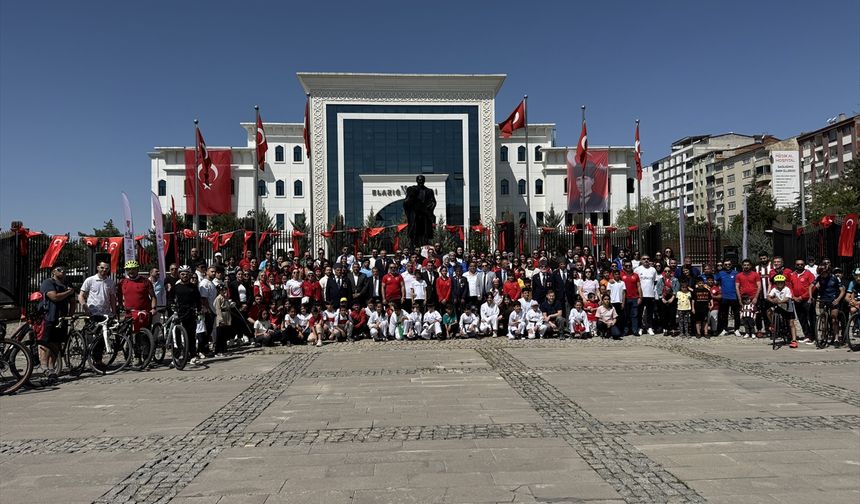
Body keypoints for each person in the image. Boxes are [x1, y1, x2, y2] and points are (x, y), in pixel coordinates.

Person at [39, 265, 76, 382]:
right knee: (46, 342)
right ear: (53, 272)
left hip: (62, 318)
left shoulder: (67, 284)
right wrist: (67, 292)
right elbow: (54, 297)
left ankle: (51, 367)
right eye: (59, 269)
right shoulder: (48, 282)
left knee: (57, 343)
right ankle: (44, 366)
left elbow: (73, 301)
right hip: (49, 316)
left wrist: (70, 315)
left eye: (64, 269)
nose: (63, 271)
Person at [173, 265, 204, 364]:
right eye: (182, 274)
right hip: (178, 312)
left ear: (189, 275)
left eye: (186, 274)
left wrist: (199, 309)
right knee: (176, 336)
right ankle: (177, 356)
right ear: (179, 275)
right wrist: (171, 306)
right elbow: (170, 298)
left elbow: (198, 300)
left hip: (190, 313)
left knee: (191, 335)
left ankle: (193, 355)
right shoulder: (176, 287)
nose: (184, 276)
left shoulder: (193, 287)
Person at [809, 264, 846, 343]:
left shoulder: (835, 278)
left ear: (828, 272)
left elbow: (842, 290)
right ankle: (823, 336)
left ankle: (836, 338)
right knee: (823, 320)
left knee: (833, 319)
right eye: (821, 273)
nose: (822, 274)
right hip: (823, 299)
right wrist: (810, 297)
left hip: (833, 300)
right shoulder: (819, 278)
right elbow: (810, 286)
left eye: (824, 273)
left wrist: (838, 300)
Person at [768, 274, 798, 348]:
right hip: (780, 307)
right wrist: (772, 300)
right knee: (769, 311)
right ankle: (773, 324)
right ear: (776, 283)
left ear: (784, 283)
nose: (780, 284)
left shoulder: (787, 289)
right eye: (778, 282)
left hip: (788, 308)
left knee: (791, 323)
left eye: (781, 282)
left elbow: (787, 299)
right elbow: (768, 296)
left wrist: (778, 301)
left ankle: (794, 340)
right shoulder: (774, 289)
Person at [715, 259, 740, 336]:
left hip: (734, 297)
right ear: (723, 265)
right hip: (724, 297)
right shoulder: (720, 273)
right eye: (726, 264)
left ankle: (736, 329)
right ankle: (724, 329)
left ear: (731, 265)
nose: (727, 266)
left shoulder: (736, 273)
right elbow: (713, 280)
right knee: (724, 314)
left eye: (729, 264)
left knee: (736, 314)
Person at [213, 283, 233, 355]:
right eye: (222, 290)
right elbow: (218, 309)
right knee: (220, 335)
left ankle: (224, 349)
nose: (224, 291)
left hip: (226, 315)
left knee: (224, 334)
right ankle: (218, 350)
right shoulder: (218, 298)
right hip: (221, 315)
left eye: (224, 289)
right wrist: (220, 319)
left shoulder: (225, 297)